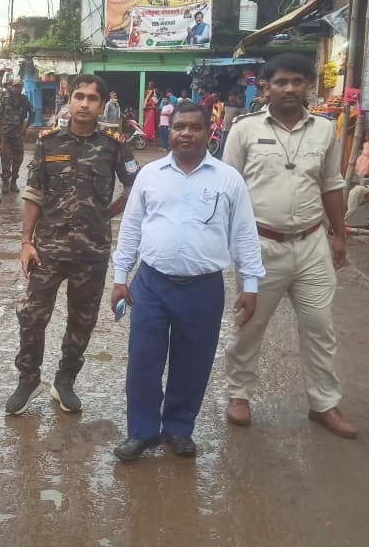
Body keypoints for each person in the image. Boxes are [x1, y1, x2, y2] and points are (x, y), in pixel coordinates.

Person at [110, 101, 263, 461]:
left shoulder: (228, 179)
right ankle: (142, 433)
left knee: (193, 362)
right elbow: (131, 228)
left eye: (195, 127)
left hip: (203, 288)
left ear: (209, 132)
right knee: (143, 361)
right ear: (170, 130)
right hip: (151, 285)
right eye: (179, 127)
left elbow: (244, 234)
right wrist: (120, 278)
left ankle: (179, 428)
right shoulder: (150, 175)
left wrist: (251, 286)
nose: (186, 133)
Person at [222, 53, 356, 439]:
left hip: (312, 244)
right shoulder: (244, 130)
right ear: (266, 88)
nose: (289, 89)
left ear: (308, 86)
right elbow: (227, 188)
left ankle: (324, 403)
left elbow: (331, 184)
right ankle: (239, 394)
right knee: (250, 324)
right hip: (260, 246)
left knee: (319, 327)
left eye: (297, 81)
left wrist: (339, 234)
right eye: (281, 82)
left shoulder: (324, 130)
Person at [5, 74, 139, 416]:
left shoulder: (113, 145)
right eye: (79, 96)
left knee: (82, 319)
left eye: (92, 98)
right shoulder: (49, 142)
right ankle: (28, 379)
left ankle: (65, 382)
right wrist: (25, 241)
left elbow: (135, 186)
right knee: (32, 316)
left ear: (102, 105)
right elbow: (34, 193)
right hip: (48, 250)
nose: (84, 104)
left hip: (92, 252)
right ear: (69, 100)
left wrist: (106, 214)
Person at [0, 79, 34, 194]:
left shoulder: (25, 100)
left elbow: (32, 113)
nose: (17, 89)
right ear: (11, 87)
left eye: (19, 87)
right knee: (5, 160)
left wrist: (26, 127)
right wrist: (0, 135)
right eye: (15, 86)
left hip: (18, 135)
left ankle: (13, 182)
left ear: (22, 88)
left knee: (18, 160)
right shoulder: (5, 100)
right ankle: (5, 182)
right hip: (6, 135)